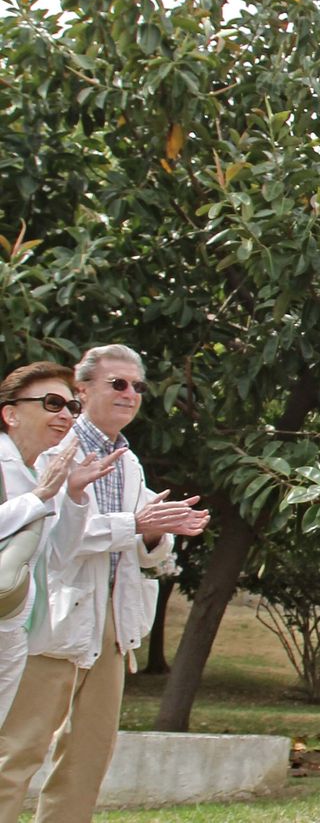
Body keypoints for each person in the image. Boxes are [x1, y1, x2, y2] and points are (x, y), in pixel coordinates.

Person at [0, 344, 210, 823]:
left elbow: (137, 547)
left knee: (89, 757)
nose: (130, 394)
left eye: (137, 386)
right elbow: (59, 539)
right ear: (83, 389)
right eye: (118, 383)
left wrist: (156, 531)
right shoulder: (54, 445)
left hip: (112, 626)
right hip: (53, 621)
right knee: (19, 751)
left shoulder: (127, 458)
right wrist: (135, 525)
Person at [0, 363, 115, 724]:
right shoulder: (33, 477)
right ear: (11, 414)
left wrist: (76, 496)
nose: (65, 415)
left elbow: (56, 559)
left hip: (14, 626)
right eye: (52, 403)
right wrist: (39, 497)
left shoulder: (39, 472)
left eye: (71, 407)